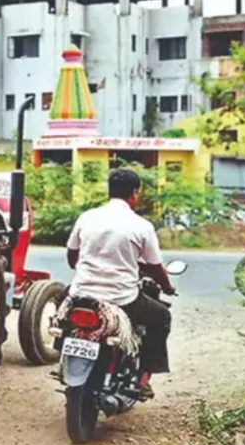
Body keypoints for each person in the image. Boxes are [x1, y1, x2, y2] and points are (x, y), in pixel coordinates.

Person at [65, 168, 175, 400]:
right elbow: (155, 267)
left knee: (62, 308)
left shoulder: (87, 217)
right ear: (134, 193)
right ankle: (143, 379)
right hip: (123, 299)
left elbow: (72, 257)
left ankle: (63, 355)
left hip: (82, 293)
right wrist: (167, 287)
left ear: (110, 191)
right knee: (161, 316)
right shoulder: (142, 225)